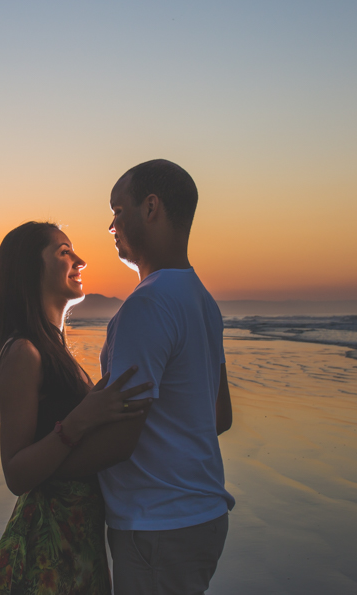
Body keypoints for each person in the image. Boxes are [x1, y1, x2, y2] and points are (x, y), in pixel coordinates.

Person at [52, 160, 235, 595]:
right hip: (201, 516)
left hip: (160, 524)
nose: (110, 224)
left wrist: (50, 470)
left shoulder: (146, 307)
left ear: (151, 207)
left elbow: (120, 438)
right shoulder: (202, 300)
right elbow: (220, 416)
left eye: (118, 209)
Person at [0, 221, 154, 595]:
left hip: (80, 544)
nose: (80, 260)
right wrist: (80, 420)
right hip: (45, 551)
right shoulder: (23, 352)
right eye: (64, 252)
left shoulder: (56, 351)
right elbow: (16, 474)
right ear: (31, 269)